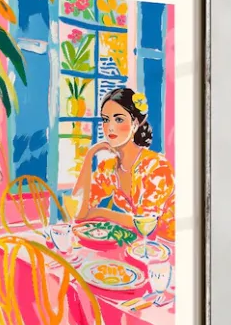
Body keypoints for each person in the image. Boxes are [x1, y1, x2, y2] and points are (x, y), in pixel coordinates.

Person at [73, 87, 175, 241]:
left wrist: (100, 212)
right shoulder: (108, 168)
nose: (110, 127)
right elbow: (78, 211)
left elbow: (145, 222)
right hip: (139, 244)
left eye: (119, 119)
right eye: (106, 120)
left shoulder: (157, 166)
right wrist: (90, 155)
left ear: (135, 123)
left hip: (171, 245)